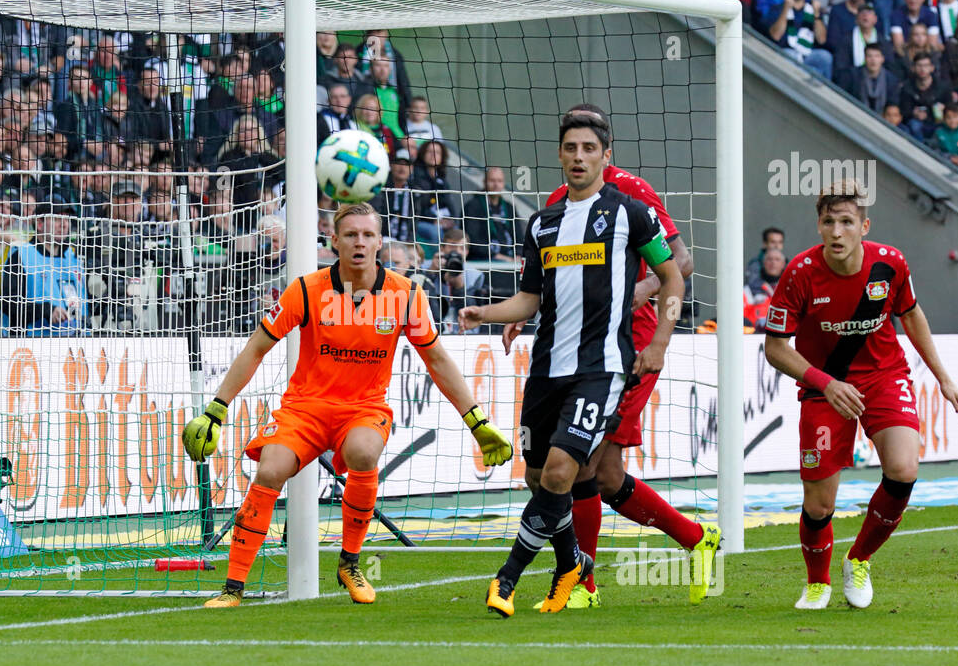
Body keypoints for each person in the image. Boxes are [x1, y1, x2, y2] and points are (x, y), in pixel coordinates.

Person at [180, 202, 513, 607]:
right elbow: (257, 347)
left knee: (362, 452)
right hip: (305, 407)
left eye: (368, 235)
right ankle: (232, 588)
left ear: (379, 242)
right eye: (351, 235)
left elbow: (438, 360)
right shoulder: (305, 289)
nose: (360, 242)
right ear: (334, 241)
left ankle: (349, 562)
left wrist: (476, 421)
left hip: (363, 409)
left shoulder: (406, 295)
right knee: (269, 472)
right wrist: (217, 407)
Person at [461, 110, 692, 617]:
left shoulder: (631, 213)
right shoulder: (542, 223)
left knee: (567, 470)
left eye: (589, 149)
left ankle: (508, 577)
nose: (579, 157)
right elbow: (528, 299)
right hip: (546, 368)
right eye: (571, 149)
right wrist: (485, 312)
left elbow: (674, 277)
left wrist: (659, 346)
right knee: (540, 477)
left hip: (603, 367)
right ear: (560, 155)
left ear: (606, 157)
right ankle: (570, 561)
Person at [763, 181, 958, 610]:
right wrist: (826, 383)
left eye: (846, 222)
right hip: (826, 386)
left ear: (864, 226)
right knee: (820, 504)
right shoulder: (800, 274)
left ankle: (858, 559)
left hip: (883, 376)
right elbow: (775, 347)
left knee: (903, 468)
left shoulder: (890, 264)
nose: (836, 232)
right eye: (828, 222)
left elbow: (911, 316)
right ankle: (817, 583)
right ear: (818, 226)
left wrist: (944, 378)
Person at [0, 206, 87, 336]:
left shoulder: (73, 259)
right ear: (39, 224)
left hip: (73, 344)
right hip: (31, 348)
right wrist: (46, 310)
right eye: (57, 219)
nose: (64, 224)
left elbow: (78, 303)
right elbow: (8, 305)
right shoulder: (21, 256)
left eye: (67, 219)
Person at [463, 165, 521, 262]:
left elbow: (519, 237)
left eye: (499, 181)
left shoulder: (509, 207)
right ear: (484, 182)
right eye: (492, 180)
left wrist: (518, 255)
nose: (496, 185)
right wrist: (499, 257)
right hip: (483, 259)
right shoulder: (473, 206)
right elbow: (473, 242)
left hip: (510, 257)